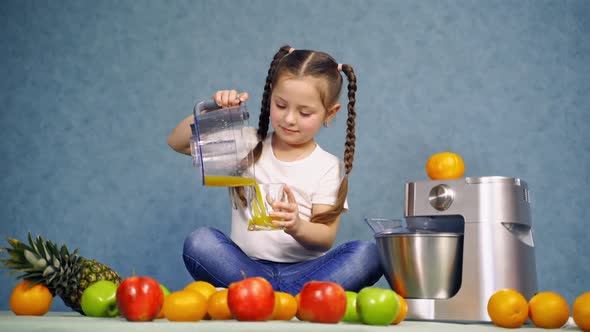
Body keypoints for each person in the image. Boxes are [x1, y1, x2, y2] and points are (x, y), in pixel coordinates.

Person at [167, 45, 382, 295]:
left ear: (329, 113)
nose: (289, 119)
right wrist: (214, 112)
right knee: (200, 241)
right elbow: (177, 142)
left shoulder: (326, 166)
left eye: (304, 112)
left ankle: (264, 298)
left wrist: (297, 226)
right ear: (270, 96)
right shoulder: (246, 143)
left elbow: (325, 237)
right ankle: (290, 299)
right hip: (245, 268)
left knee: (368, 253)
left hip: (308, 272)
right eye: (281, 105)